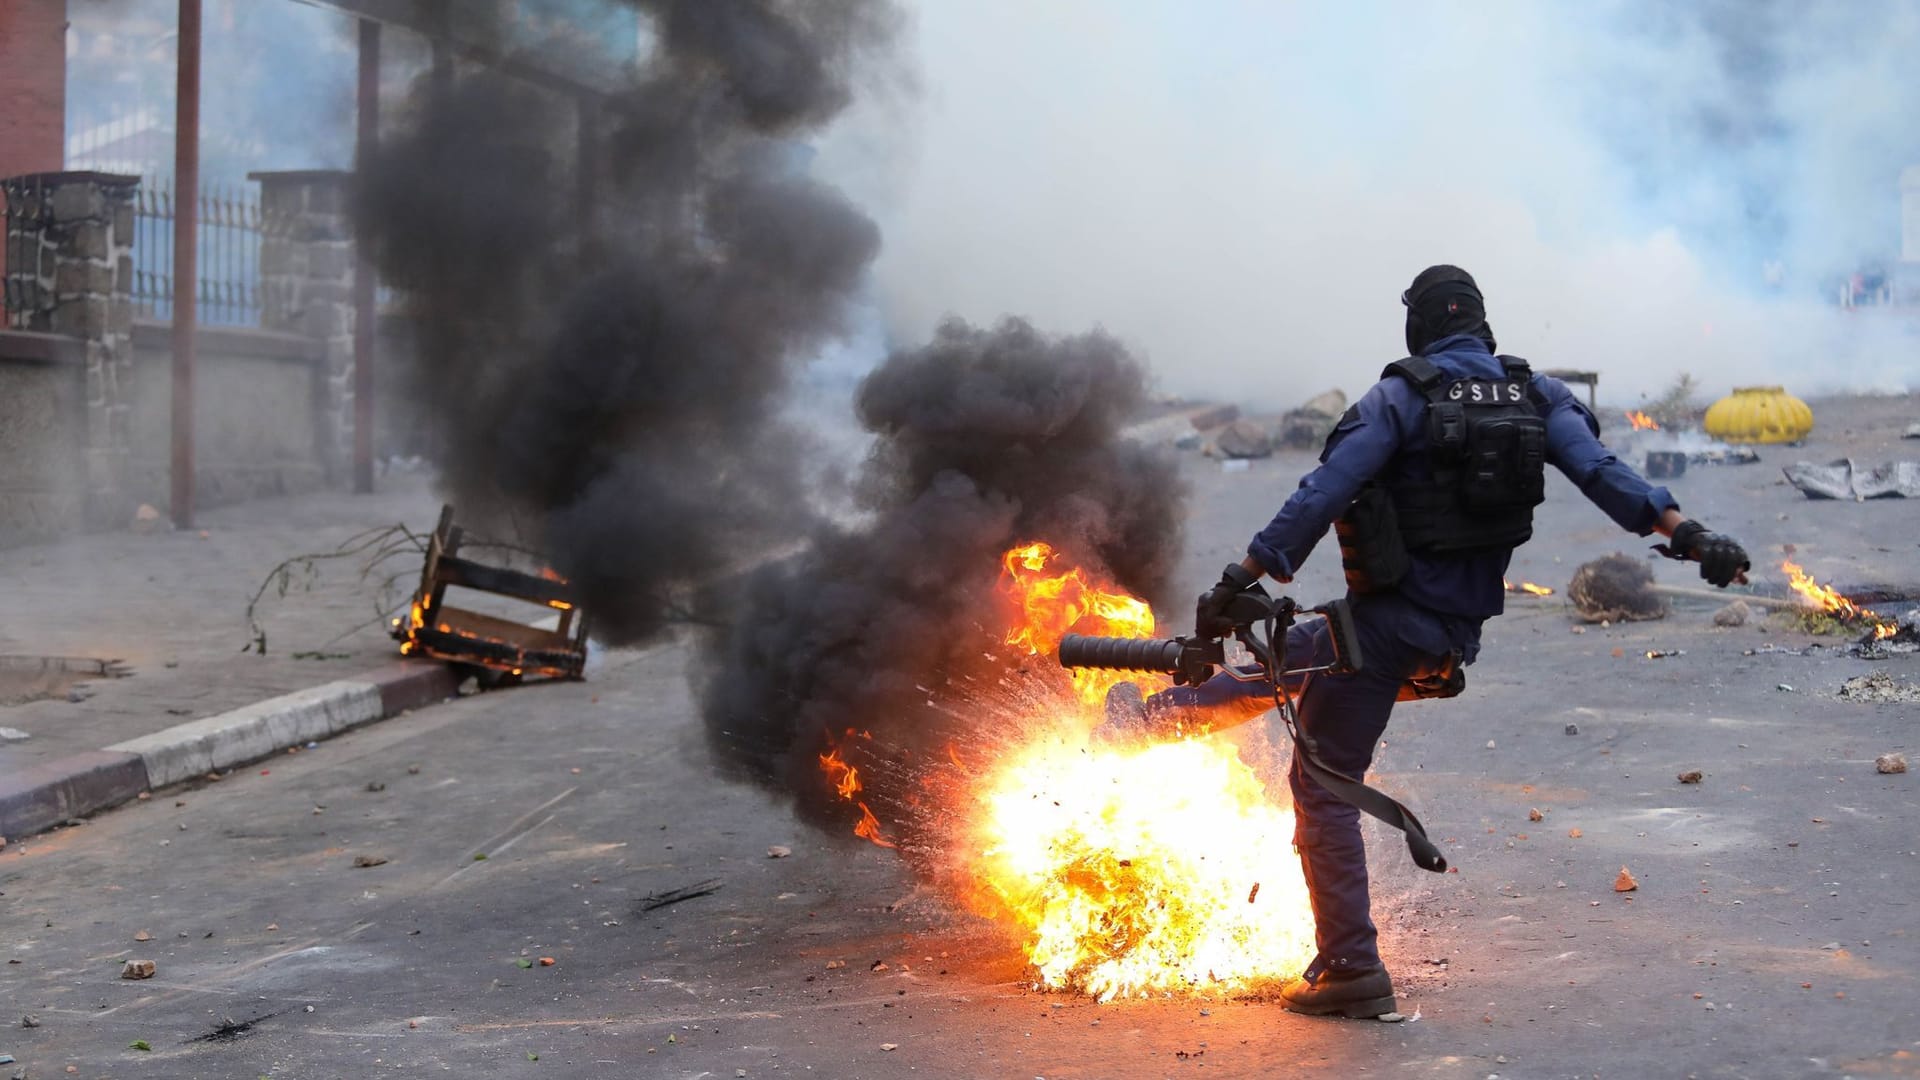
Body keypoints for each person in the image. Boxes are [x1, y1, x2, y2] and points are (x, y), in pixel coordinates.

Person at [1121, 265, 1751, 1019]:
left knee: (1322, 784)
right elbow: (1603, 473)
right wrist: (1690, 534)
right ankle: (1151, 721)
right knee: (1297, 660)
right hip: (1448, 639)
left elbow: (1322, 492)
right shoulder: (1535, 395)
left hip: (1386, 632)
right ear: (1482, 325)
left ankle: (1351, 968)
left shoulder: (1398, 398)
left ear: (1418, 327)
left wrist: (1243, 576)